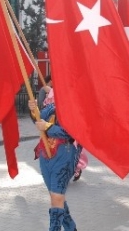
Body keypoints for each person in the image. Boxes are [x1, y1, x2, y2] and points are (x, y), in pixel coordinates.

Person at [28, 99, 80, 231]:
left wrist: (48, 127)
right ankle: (71, 228)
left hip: (65, 155)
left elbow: (74, 131)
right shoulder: (53, 104)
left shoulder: (78, 104)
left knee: (56, 197)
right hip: (45, 154)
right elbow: (39, 119)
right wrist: (34, 111)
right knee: (56, 197)